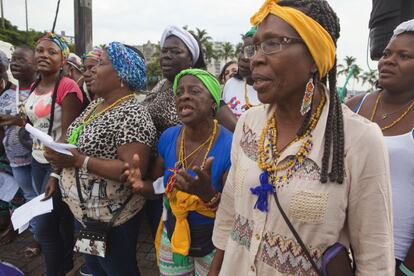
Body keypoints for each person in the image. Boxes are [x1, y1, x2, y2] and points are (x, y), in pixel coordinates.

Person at [210, 0, 394, 275]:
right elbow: (229, 216)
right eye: (255, 46)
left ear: (313, 56)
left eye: (272, 44)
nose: (255, 58)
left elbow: (375, 259)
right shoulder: (249, 123)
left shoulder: (359, 140)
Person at [45, 41, 156, 276]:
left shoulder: (133, 114)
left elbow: (130, 170)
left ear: (121, 76)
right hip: (86, 215)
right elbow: (74, 141)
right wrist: (57, 160)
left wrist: (79, 161)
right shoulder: (96, 105)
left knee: (117, 269)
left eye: (100, 64)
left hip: (112, 219)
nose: (91, 70)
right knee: (96, 268)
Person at [123, 68, 232, 276]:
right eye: (179, 92)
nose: (185, 96)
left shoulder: (230, 145)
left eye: (195, 91)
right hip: (173, 232)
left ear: (213, 103)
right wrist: (139, 185)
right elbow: (160, 184)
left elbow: (235, 212)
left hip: (214, 242)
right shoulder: (169, 136)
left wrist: (207, 194)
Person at [347, 19, 414, 276]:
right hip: (338, 247)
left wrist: (407, 270)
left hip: (394, 254)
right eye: (386, 53)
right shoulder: (352, 106)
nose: (388, 60)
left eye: (403, 56)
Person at [26, 32, 83, 276]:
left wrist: (55, 174)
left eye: (52, 52)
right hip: (36, 161)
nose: (44, 55)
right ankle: (65, 263)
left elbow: (69, 136)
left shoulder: (67, 86)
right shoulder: (35, 85)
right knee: (56, 222)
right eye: (40, 50)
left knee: (44, 228)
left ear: (63, 60)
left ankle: (55, 271)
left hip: (56, 166)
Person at [0, 46, 39, 256]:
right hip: (15, 158)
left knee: (42, 199)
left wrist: (17, 120)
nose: (14, 63)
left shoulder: (41, 91)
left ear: (35, 64)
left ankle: (45, 239)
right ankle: (37, 237)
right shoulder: (7, 94)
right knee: (29, 197)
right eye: (13, 60)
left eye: (21, 60)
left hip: (38, 158)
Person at [221, 27, 260, 118]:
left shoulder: (273, 92)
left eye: (250, 52)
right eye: (242, 51)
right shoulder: (231, 84)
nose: (243, 57)